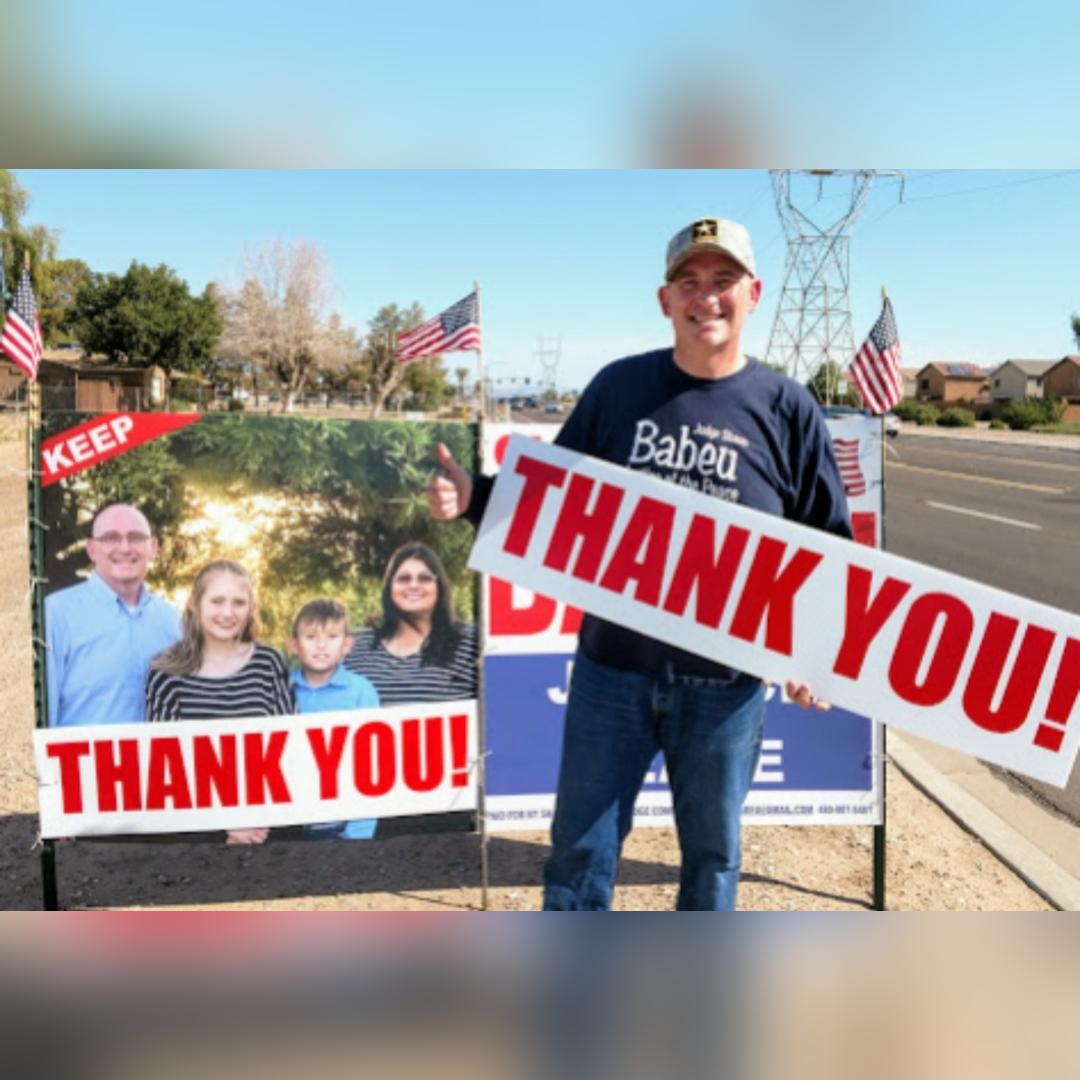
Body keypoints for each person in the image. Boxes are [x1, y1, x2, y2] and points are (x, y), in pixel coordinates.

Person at [427, 217, 853, 911]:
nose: (705, 297)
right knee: (578, 858)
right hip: (611, 676)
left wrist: (814, 653)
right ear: (665, 300)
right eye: (689, 282)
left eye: (723, 282)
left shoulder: (788, 409)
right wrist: (474, 496)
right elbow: (548, 502)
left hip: (727, 686)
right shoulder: (618, 389)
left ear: (754, 293)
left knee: (713, 864)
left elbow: (828, 545)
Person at [146, 559, 294, 845]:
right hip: (197, 836)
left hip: (265, 828)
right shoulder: (165, 671)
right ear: (194, 604)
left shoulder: (269, 662)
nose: (228, 612)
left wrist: (255, 820)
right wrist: (225, 824)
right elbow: (167, 764)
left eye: (239, 602)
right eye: (217, 601)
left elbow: (288, 747)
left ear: (251, 608)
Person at [46, 503, 181, 727]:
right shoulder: (55, 614)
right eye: (110, 538)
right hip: (82, 761)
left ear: (153, 547)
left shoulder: (172, 621)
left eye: (136, 537)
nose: (125, 548)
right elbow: (41, 717)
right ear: (91, 549)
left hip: (155, 760)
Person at [287, 597, 380, 841]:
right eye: (310, 637)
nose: (321, 646)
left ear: (347, 644)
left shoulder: (362, 692)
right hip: (291, 829)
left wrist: (359, 833)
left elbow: (371, 765)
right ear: (293, 645)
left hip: (345, 828)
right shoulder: (281, 691)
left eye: (331, 637)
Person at [343, 542, 478, 705]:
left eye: (425, 578)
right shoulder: (357, 647)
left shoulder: (471, 643)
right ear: (389, 588)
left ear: (439, 587)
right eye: (403, 579)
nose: (414, 585)